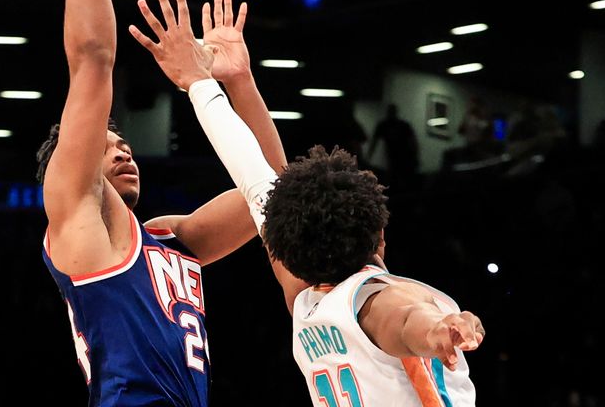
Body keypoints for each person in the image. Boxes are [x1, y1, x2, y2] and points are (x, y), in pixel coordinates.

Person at [171, 34, 487, 407]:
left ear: (286, 249)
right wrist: (436, 329)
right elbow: (405, 319)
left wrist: (209, 83)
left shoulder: (306, 305)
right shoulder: (381, 298)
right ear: (379, 231)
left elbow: (254, 174)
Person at [36, 0, 281, 406]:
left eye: (124, 146)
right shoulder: (76, 216)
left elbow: (271, 189)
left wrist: (238, 81)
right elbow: (93, 58)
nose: (123, 152)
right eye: (104, 147)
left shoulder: (168, 239)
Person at [366, 103, 420, 192]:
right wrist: (369, 157)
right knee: (396, 179)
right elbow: (374, 142)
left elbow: (413, 142)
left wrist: (415, 156)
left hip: (405, 156)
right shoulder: (385, 125)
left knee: (400, 180)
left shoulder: (400, 125)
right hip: (395, 156)